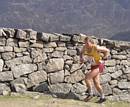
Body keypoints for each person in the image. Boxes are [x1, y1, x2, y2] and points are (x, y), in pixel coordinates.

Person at [80, 36, 110, 103]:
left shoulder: (95, 47)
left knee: (87, 77)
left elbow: (107, 50)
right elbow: (81, 53)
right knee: (96, 83)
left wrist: (105, 57)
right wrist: (81, 58)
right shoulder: (85, 47)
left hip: (100, 65)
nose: (86, 44)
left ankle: (90, 93)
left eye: (87, 43)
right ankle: (103, 97)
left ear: (91, 42)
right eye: (85, 43)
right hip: (93, 66)